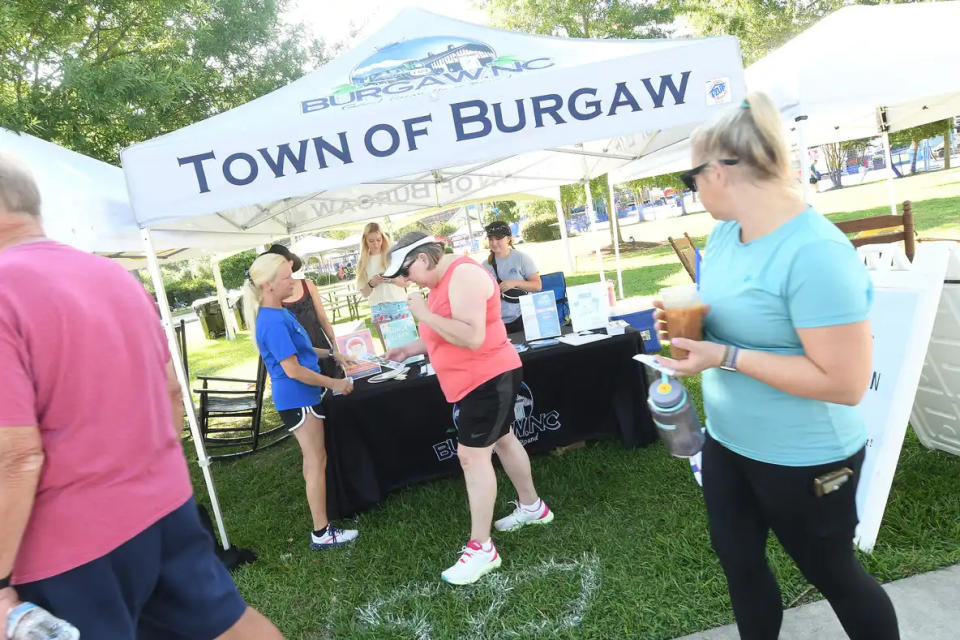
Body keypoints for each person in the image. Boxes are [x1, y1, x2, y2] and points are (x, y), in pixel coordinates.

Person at [0, 153, 282, 639]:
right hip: (163, 507)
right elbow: (171, 392)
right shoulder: (114, 276)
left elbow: (16, 456)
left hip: (63, 546)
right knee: (231, 627)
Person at [655, 93, 899, 640]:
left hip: (807, 455)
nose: (691, 189)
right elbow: (735, 317)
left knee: (832, 573)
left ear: (720, 170)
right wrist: (692, 327)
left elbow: (845, 383)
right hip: (729, 440)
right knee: (740, 567)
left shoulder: (814, 253)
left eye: (691, 176)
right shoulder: (722, 235)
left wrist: (726, 357)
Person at [381, 233, 553, 586]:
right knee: (503, 440)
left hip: (487, 378)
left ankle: (482, 548)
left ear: (424, 258)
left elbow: (471, 336)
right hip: (479, 380)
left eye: (406, 269)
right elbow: (446, 333)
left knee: (472, 458)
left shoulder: (463, 275)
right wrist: (409, 348)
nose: (405, 278)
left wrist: (424, 314)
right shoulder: (443, 282)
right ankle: (533, 507)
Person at [243, 253, 358, 552]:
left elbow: (304, 349)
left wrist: (333, 354)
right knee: (315, 461)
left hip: (301, 397)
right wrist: (335, 383)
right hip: (298, 398)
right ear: (267, 285)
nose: (292, 281)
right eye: (285, 277)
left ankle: (323, 527)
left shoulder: (279, 312)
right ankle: (322, 531)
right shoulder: (272, 320)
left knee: (315, 460)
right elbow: (293, 369)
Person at [263, 244, 344, 378]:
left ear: (291, 263)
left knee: (334, 386)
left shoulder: (308, 285)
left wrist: (334, 343)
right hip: (298, 354)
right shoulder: (274, 296)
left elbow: (323, 318)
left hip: (320, 344)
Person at [481, 220, 542, 334]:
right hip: (497, 323)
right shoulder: (485, 266)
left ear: (509, 239)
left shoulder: (521, 258)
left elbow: (537, 285)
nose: (494, 243)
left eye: (498, 238)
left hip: (523, 318)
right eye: (490, 239)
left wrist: (514, 283)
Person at [356, 222, 410, 327]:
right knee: (388, 344)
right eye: (371, 241)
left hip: (399, 304)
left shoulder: (393, 256)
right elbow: (364, 293)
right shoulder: (362, 263)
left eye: (378, 240)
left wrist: (391, 280)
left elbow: (407, 283)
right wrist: (372, 283)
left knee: (409, 342)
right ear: (365, 241)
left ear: (383, 238)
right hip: (378, 308)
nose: (375, 244)